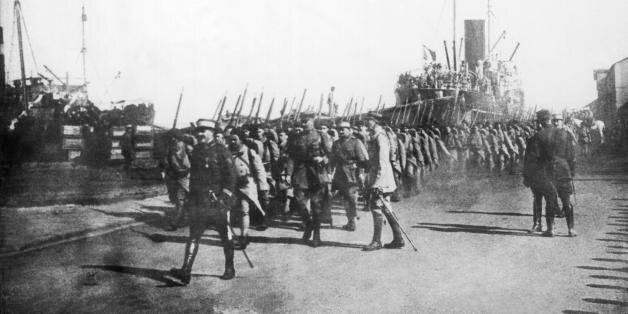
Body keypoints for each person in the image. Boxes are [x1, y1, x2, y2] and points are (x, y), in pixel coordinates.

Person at [170, 119, 237, 284]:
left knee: (226, 236)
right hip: (198, 203)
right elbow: (194, 178)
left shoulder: (222, 152)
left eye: (204, 131)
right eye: (198, 131)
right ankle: (186, 270)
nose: (199, 134)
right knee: (193, 236)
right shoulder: (198, 151)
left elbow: (231, 179)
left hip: (216, 204)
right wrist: (189, 198)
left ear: (212, 132)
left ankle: (229, 267)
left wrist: (224, 199)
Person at [363, 113, 404, 251]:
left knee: (375, 207)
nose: (366, 122)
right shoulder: (376, 135)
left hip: (382, 179)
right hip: (380, 177)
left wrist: (377, 183)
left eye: (369, 120)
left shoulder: (380, 137)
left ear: (375, 121)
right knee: (386, 208)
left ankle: (377, 241)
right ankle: (398, 238)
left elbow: (383, 162)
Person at [286, 118, 330, 247]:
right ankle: (308, 223)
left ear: (313, 122)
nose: (305, 123)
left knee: (316, 206)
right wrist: (288, 174)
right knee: (299, 202)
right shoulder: (296, 137)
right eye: (303, 121)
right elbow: (291, 157)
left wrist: (323, 159)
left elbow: (330, 154)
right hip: (301, 173)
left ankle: (316, 235)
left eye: (307, 121)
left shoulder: (321, 135)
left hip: (317, 172)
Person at [228, 130, 268, 250]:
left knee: (244, 211)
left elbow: (260, 170)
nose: (233, 142)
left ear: (241, 139)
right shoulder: (228, 152)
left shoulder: (250, 152)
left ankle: (244, 237)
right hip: (232, 185)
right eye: (231, 139)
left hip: (247, 186)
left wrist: (263, 187)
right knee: (232, 211)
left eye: (235, 139)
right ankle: (230, 236)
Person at [330, 121, 369, 231]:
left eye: (344, 128)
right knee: (344, 198)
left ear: (350, 130)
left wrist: (361, 173)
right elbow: (332, 159)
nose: (341, 131)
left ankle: (352, 221)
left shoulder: (356, 142)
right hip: (340, 174)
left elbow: (363, 160)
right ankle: (350, 220)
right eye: (340, 129)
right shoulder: (336, 143)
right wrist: (330, 172)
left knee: (351, 197)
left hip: (352, 173)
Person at [550, 113, 577, 236]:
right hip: (553, 171)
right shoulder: (549, 136)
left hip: (561, 171)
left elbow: (571, 155)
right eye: (554, 121)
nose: (556, 123)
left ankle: (570, 228)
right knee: (551, 200)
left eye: (558, 121)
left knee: (566, 201)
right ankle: (551, 228)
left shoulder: (565, 136)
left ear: (562, 122)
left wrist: (572, 171)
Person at [162, 132, 191, 231]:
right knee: (180, 200)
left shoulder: (179, 146)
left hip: (182, 178)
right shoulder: (174, 146)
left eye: (174, 137)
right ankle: (184, 219)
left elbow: (185, 164)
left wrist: (185, 170)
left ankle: (175, 223)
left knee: (180, 201)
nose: (172, 139)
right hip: (176, 177)